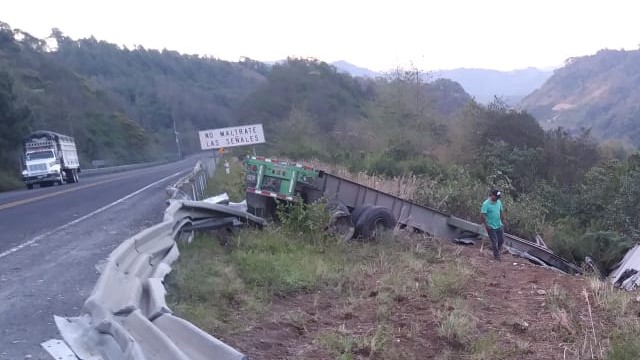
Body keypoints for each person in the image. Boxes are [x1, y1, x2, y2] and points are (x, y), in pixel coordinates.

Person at [481, 189, 508, 261]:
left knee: (501, 240)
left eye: (498, 197)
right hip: (491, 226)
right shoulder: (486, 204)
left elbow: (501, 211)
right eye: (496, 197)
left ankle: (497, 250)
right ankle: (496, 256)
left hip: (499, 225)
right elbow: (483, 215)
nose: (497, 199)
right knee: (494, 241)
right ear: (492, 195)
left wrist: (504, 220)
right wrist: (486, 225)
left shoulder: (498, 202)